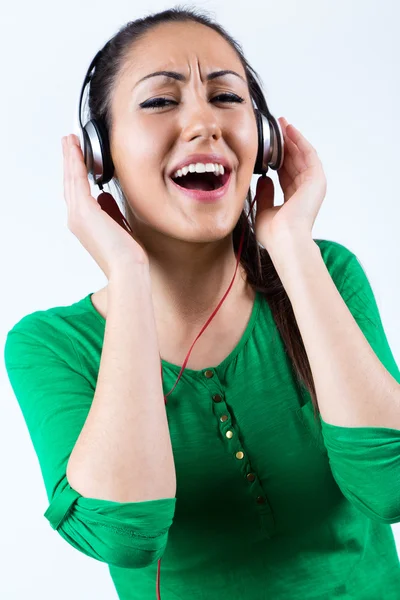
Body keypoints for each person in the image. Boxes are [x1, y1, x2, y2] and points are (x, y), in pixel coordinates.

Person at [4, 6, 400, 600]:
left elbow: (390, 486)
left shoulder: (326, 275)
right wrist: (129, 273)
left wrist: (291, 246)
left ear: (263, 140)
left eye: (226, 97)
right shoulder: (49, 345)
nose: (204, 123)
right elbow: (123, 535)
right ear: (100, 157)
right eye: (161, 102)